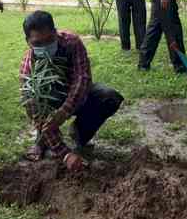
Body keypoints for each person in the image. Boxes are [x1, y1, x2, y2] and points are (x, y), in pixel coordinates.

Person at [19, 11, 124, 172]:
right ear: (28, 42)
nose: (45, 46)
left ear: (55, 32)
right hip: (52, 100)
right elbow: (36, 113)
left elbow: (82, 80)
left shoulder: (72, 43)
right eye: (38, 43)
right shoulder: (29, 70)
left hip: (75, 95)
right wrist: (65, 154)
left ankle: (79, 134)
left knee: (109, 97)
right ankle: (42, 140)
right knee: (40, 109)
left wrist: (64, 112)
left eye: (49, 40)